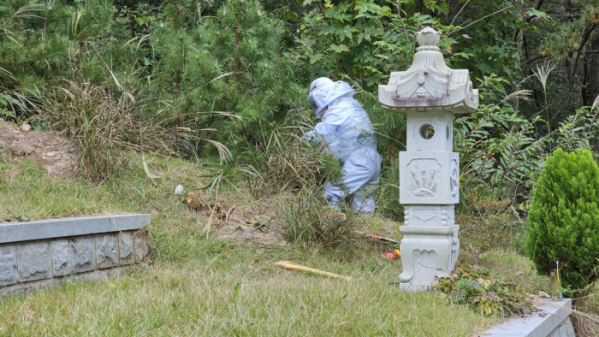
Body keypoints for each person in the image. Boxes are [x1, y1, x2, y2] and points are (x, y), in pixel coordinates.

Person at [305, 77, 382, 212]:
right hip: (372, 161)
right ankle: (365, 231)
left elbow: (322, 133)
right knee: (363, 205)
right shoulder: (351, 104)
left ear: (322, 95)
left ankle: (329, 224)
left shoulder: (340, 108)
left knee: (332, 192)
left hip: (358, 163)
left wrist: (299, 141)